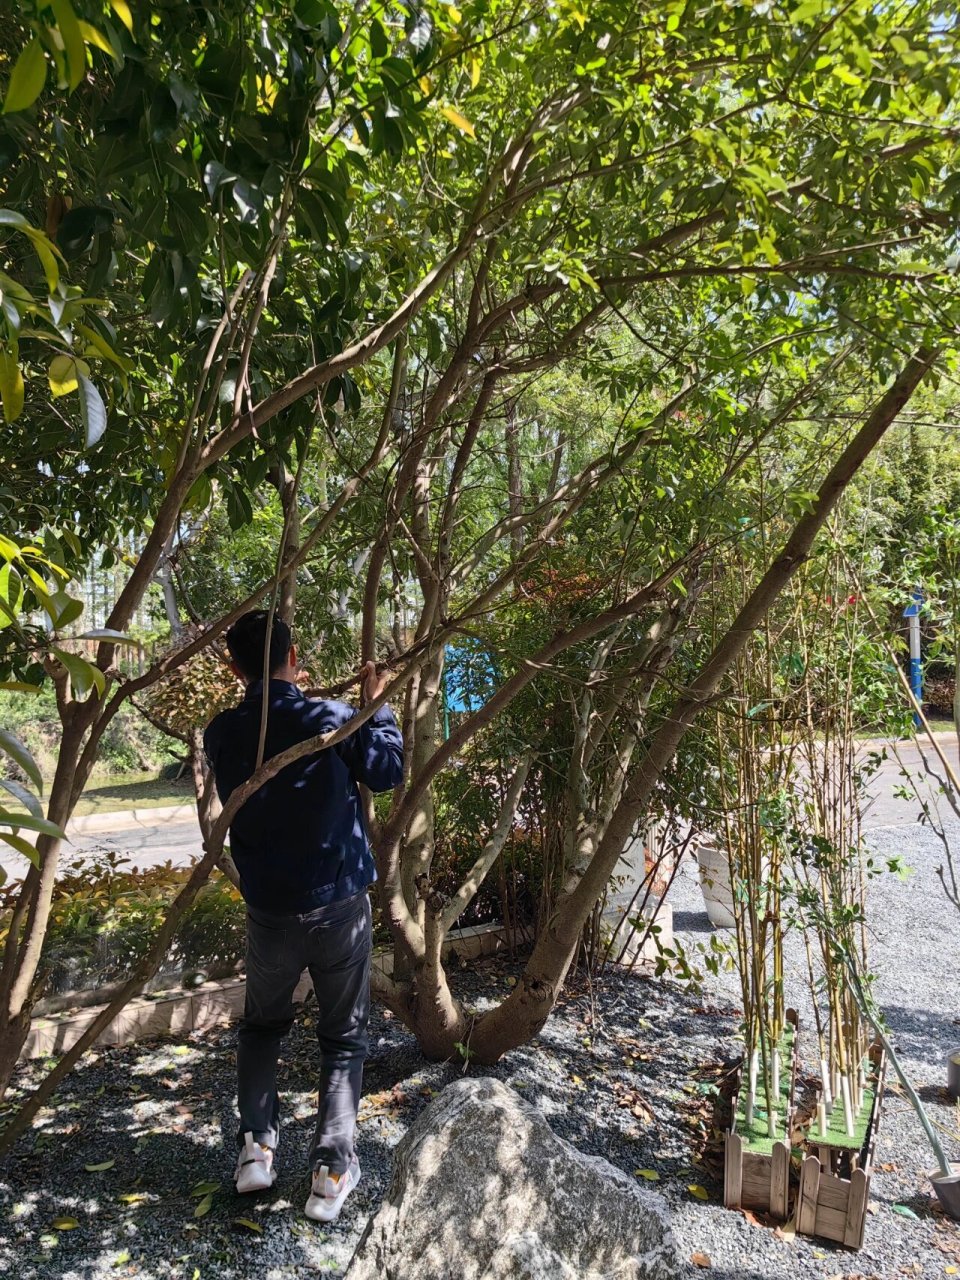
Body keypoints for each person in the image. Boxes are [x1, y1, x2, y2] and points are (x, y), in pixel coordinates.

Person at [203, 610, 403, 1223]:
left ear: (234, 668)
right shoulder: (332, 719)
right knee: (343, 1036)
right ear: (295, 657)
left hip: (269, 910)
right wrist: (377, 707)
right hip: (338, 903)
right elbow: (388, 773)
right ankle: (330, 1172)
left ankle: (257, 1151)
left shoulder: (222, 732)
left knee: (263, 1026)